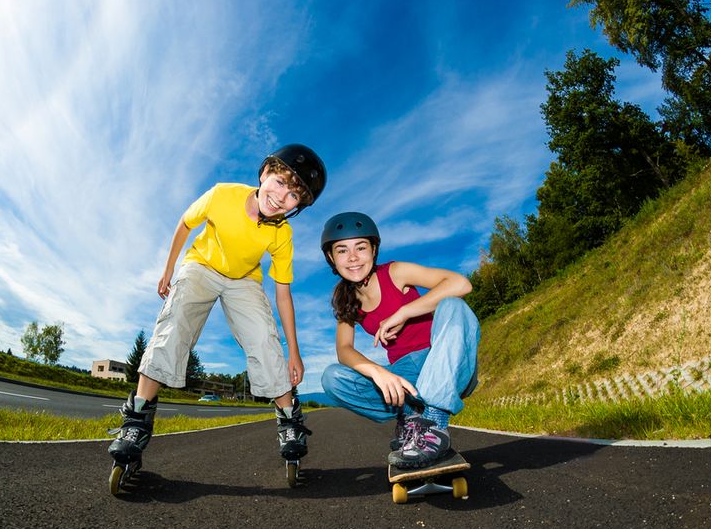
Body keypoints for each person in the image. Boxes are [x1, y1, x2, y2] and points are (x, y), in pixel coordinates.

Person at [109, 144, 326, 467]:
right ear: (265, 173)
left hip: (244, 281)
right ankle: (136, 418)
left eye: (294, 195)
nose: (282, 197)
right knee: (176, 321)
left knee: (263, 338)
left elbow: (283, 293)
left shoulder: (283, 233)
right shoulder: (222, 195)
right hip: (202, 266)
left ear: (298, 206)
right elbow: (185, 223)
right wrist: (169, 268)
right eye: (280, 182)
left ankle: (289, 419)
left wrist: (294, 351)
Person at [319, 212, 480, 469]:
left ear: (374, 250)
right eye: (342, 251)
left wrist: (405, 312)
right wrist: (378, 373)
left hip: (445, 364)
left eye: (361, 247)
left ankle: (434, 425)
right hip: (406, 379)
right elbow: (344, 350)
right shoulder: (346, 299)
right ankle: (411, 418)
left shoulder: (395, 272)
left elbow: (460, 283)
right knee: (331, 377)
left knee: (453, 305)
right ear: (331, 257)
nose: (352, 258)